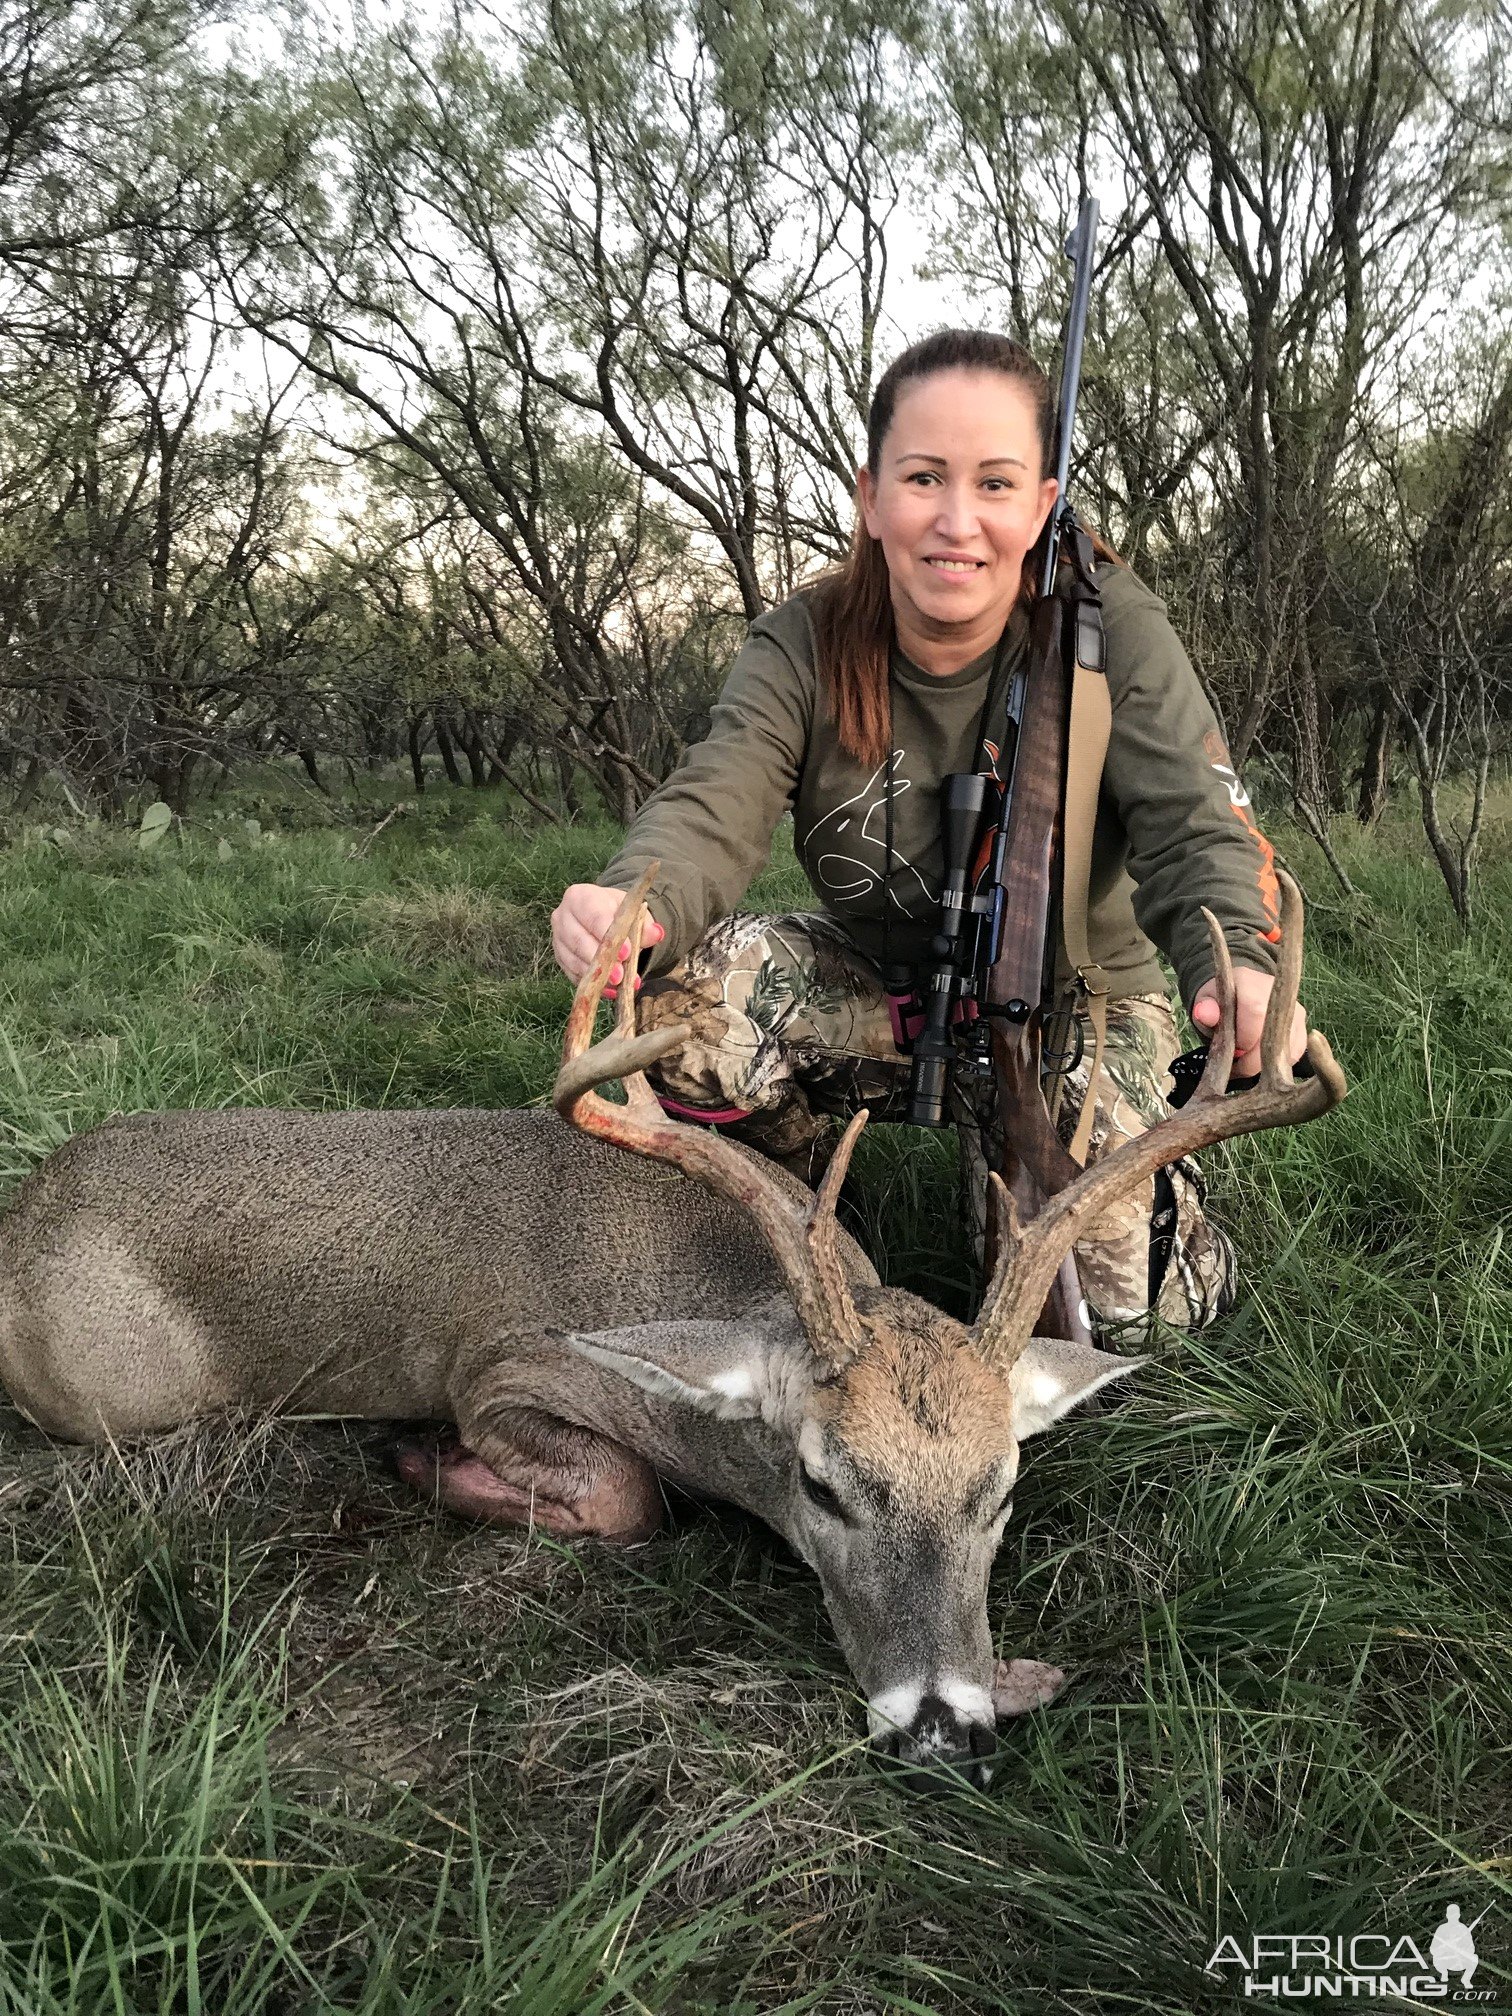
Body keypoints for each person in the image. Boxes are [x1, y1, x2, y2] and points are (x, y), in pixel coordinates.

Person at [550, 328, 1306, 1332]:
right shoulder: (807, 637)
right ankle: (807, 1221)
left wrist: (1239, 967)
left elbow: (1197, 830)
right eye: (923, 478)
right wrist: (635, 902)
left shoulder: (1112, 629)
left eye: (996, 484)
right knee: (681, 1013)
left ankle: (1172, 1239)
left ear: (1041, 504)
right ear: (871, 496)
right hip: (884, 988)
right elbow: (710, 804)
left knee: (1119, 1319)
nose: (958, 522)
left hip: (1076, 1001)